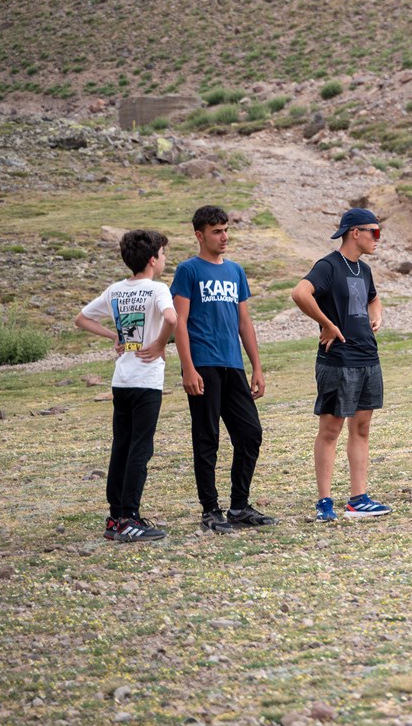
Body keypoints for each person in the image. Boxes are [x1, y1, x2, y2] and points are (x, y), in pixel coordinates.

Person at [170, 205, 273, 534]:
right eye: (216, 231)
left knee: (250, 433)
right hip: (203, 364)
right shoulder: (188, 270)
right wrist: (187, 367)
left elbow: (244, 322)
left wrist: (256, 367)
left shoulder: (235, 271)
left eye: (226, 229)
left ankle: (239, 507)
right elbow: (179, 323)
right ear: (200, 235)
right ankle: (210, 511)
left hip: (233, 365)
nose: (224, 236)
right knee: (207, 437)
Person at [74, 230, 178, 542]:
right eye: (163, 255)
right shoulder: (157, 290)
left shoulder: (116, 290)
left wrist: (114, 336)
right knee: (140, 448)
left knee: (121, 446)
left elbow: (81, 319)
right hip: (147, 381)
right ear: (152, 260)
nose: (164, 260)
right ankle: (130, 517)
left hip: (122, 380)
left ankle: (115, 517)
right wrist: (160, 344)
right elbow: (171, 320)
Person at [291, 207, 392, 521]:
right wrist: (326, 323)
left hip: (367, 358)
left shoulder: (364, 269)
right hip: (339, 361)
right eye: (373, 232)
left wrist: (377, 314)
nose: (377, 238)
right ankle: (324, 503)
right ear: (355, 233)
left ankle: (358, 499)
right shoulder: (328, 266)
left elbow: (373, 297)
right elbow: (299, 293)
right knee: (330, 430)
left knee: (361, 429)